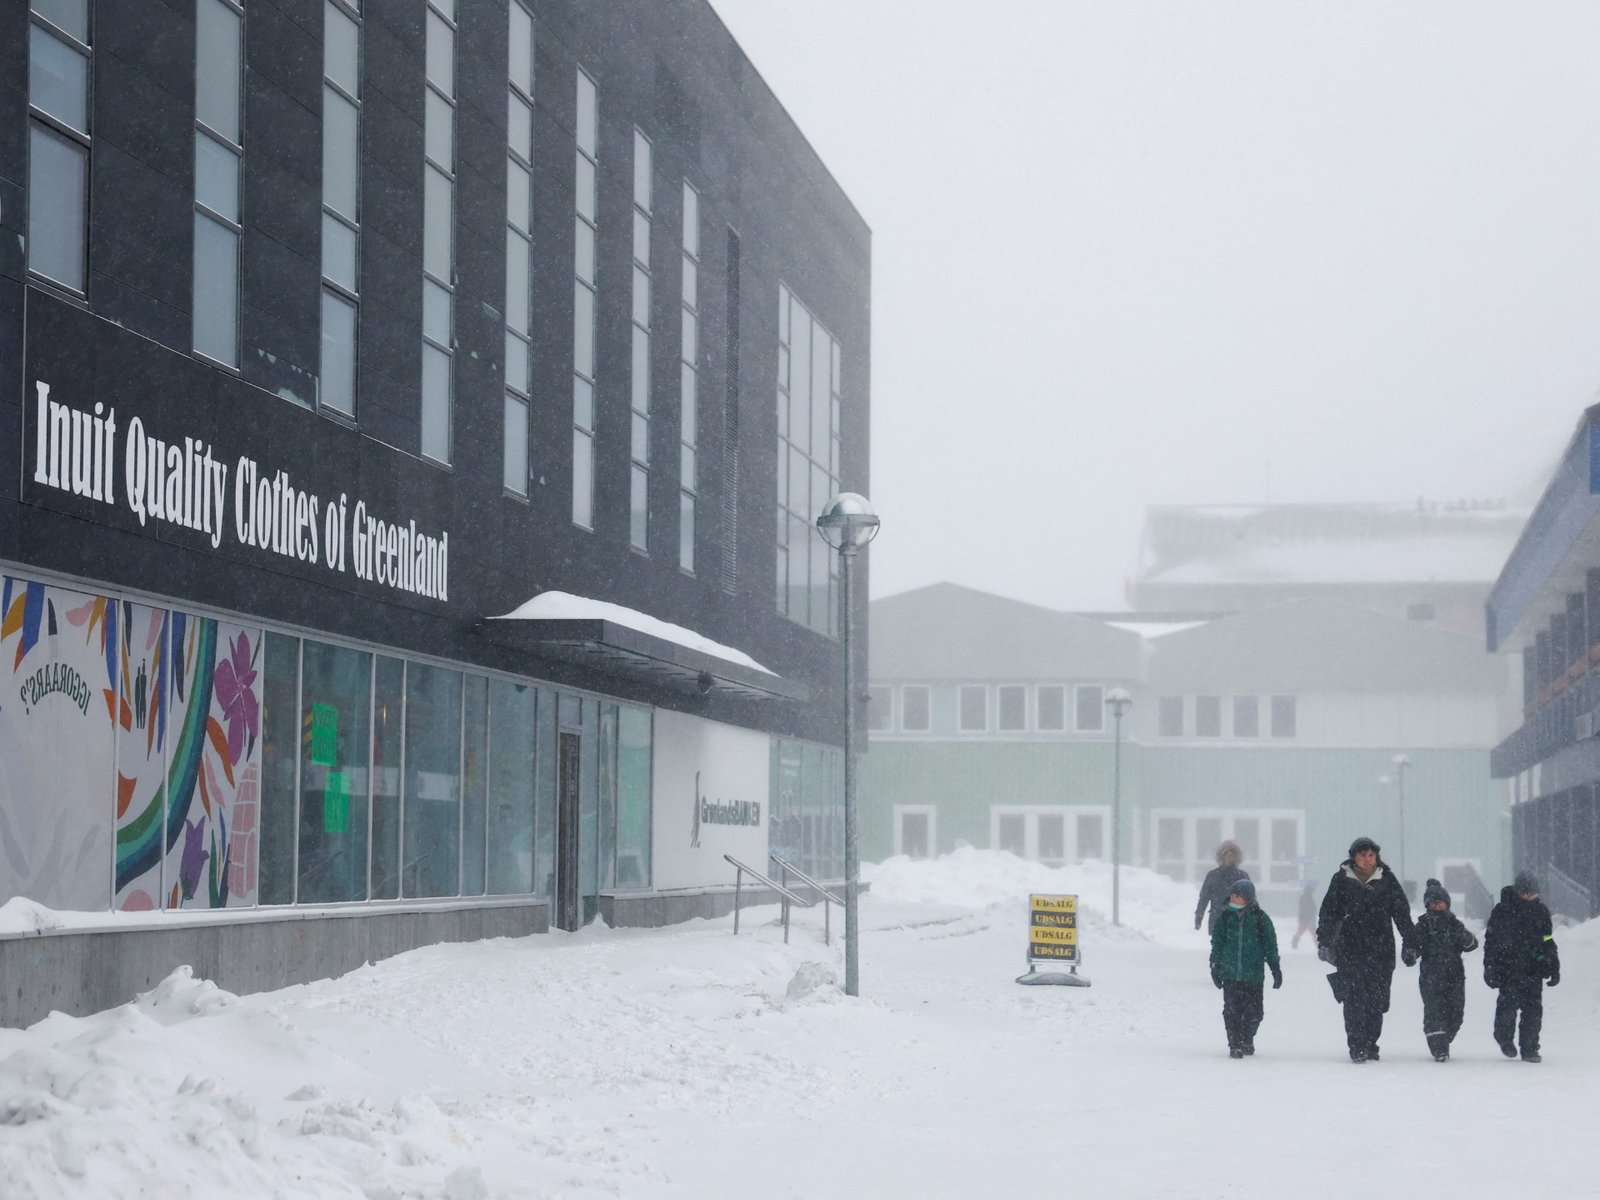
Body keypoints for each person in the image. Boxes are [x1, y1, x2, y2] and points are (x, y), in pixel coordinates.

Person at [1315, 835, 1415, 1063]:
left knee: (1376, 1001)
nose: (1368, 860)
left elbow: (1402, 913)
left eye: (1372, 855)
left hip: (1381, 950)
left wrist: (1410, 943)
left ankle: (1371, 1042)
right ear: (1354, 857)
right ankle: (1356, 1045)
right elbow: (1328, 912)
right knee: (1353, 999)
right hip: (1350, 948)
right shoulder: (1341, 880)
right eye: (1363, 855)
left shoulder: (1387, 880)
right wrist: (1324, 940)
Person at [1483, 870, 1560, 1063]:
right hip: (1507, 969)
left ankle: (1530, 1048)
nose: (1529, 897)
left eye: (1532, 893)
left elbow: (1548, 940)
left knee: (1533, 1011)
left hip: (1534, 968)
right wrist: (1490, 967)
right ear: (1518, 891)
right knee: (1507, 1008)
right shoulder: (1502, 910)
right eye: (1525, 892)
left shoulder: (1541, 912)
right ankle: (1504, 1038)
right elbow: (1491, 941)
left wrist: (1553, 966)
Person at [1405, 878, 1478, 1061]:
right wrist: (1410, 954)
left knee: (1456, 1012)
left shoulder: (1455, 924)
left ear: (1447, 903)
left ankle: (1445, 1036)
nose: (1438, 906)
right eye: (1434, 903)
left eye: (1441, 902)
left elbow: (1471, 944)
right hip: (1431, 975)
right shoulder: (1422, 926)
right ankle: (1439, 1048)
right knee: (1434, 1011)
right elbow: (1412, 947)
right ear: (1428, 905)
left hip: (1454, 976)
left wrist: (1464, 937)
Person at [1209, 878, 1282, 1058]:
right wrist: (1215, 965)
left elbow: (1270, 945)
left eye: (1238, 895)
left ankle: (1247, 1038)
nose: (1233, 898)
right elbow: (1217, 944)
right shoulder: (1225, 918)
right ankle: (1235, 1044)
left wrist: (1275, 968)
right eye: (1232, 895)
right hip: (1231, 975)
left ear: (1248, 898)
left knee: (1255, 1013)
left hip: (1253, 976)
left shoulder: (1260, 919)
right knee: (1231, 1012)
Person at [1195, 840, 1249, 934]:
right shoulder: (1213, 875)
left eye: (1231, 856)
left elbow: (1250, 900)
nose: (1228, 858)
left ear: (1236, 858)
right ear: (1221, 857)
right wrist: (1199, 916)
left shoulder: (1242, 876)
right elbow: (1204, 898)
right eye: (1226, 855)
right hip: (1217, 919)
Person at [1292, 878, 1317, 949]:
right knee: (1312, 933)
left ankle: (1294, 944)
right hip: (1307, 918)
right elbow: (1309, 909)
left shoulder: (1305, 897)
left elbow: (1304, 909)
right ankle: (1318, 946)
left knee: (1302, 932)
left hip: (1306, 918)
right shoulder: (1307, 898)